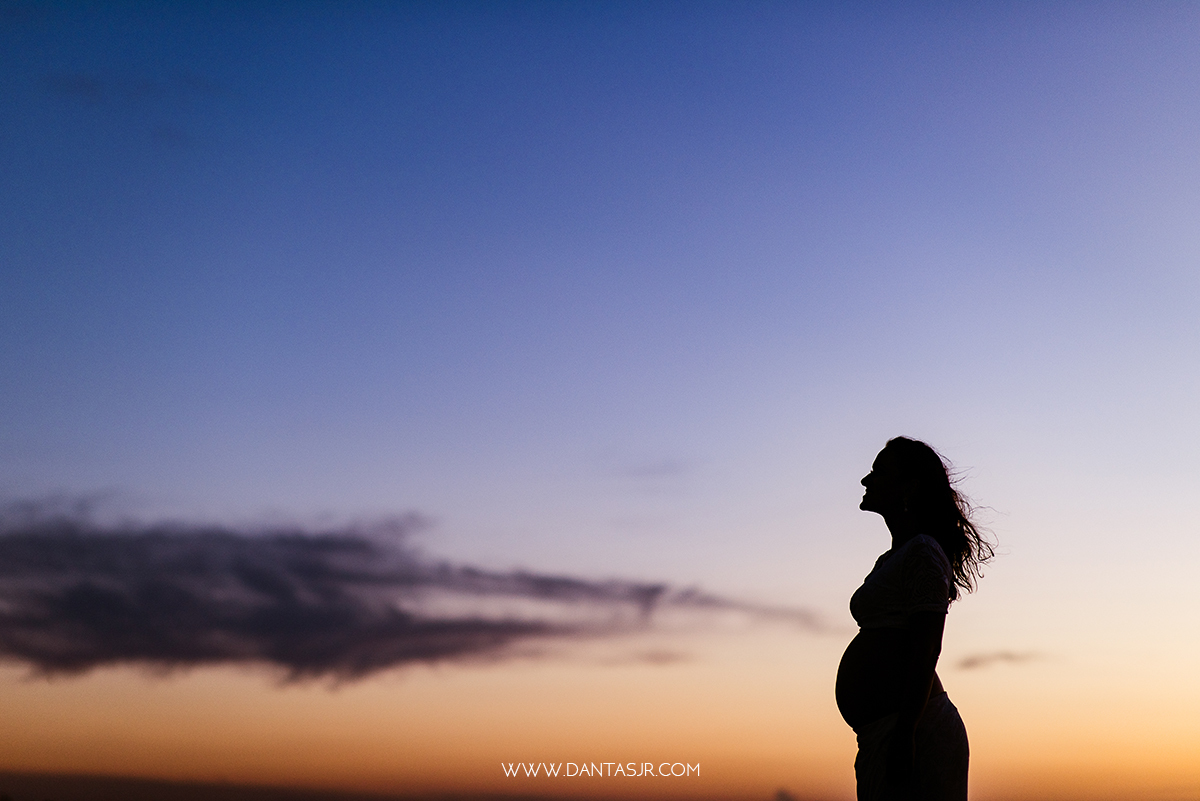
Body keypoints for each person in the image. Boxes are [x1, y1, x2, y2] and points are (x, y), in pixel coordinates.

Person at [835, 437, 993, 800]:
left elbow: (926, 649)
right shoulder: (895, 557)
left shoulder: (922, 552)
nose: (866, 480)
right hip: (884, 733)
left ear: (909, 487)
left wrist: (906, 732)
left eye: (879, 472)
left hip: (916, 734)